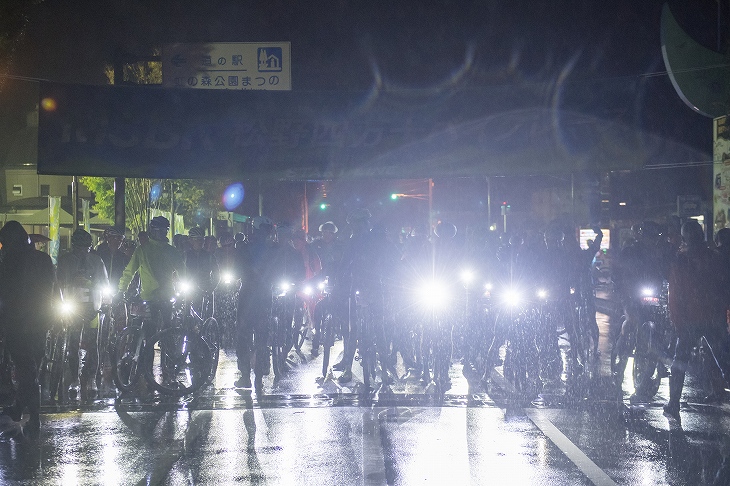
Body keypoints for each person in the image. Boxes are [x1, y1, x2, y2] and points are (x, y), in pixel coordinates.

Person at [664, 220, 730, 421]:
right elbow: (724, 286)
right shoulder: (715, 258)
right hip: (714, 317)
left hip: (691, 320)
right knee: (724, 359)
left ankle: (674, 403)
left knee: (680, 361)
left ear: (685, 238)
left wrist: (677, 320)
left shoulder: (681, 261)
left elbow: (675, 294)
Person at [0, 221, 55, 435]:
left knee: (26, 369)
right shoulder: (43, 260)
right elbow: (51, 289)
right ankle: (24, 410)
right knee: (33, 366)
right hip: (40, 321)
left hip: (16, 323)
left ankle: (32, 414)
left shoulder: (7, 263)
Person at [56, 229, 109, 401]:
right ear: (73, 247)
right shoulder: (65, 260)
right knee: (73, 344)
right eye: (79, 248)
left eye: (86, 248)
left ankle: (92, 377)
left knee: (93, 343)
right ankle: (74, 379)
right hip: (72, 306)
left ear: (90, 247)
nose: (82, 252)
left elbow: (104, 282)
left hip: (92, 306)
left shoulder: (96, 260)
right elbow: (58, 282)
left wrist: (103, 298)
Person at [118, 216, 183, 334]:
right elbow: (129, 272)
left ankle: (160, 349)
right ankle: (167, 349)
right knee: (162, 330)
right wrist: (122, 289)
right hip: (159, 297)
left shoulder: (144, 250)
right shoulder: (167, 251)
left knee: (154, 332)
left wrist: (122, 289)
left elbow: (129, 272)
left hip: (157, 296)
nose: (162, 234)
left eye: (164, 231)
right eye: (160, 231)